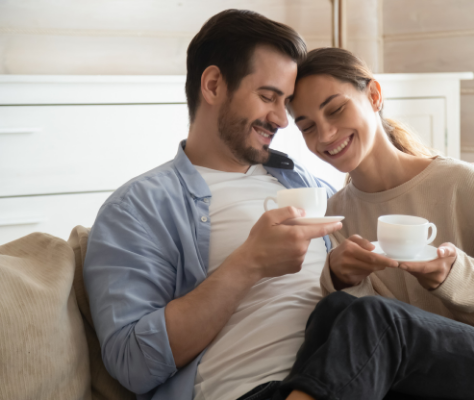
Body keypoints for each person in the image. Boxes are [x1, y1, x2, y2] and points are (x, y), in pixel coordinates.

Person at [270, 47, 474, 400]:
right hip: (436, 378)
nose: (325, 135)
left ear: (373, 95)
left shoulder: (460, 182)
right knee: (334, 310)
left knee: (376, 317)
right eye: (307, 127)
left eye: (336, 109)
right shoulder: (335, 215)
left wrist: (452, 276)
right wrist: (341, 280)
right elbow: (366, 349)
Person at [83, 10, 343, 400]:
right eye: (268, 96)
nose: (281, 119)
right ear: (213, 84)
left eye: (285, 103)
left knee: (389, 326)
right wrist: (248, 264)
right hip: (254, 390)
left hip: (354, 370)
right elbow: (131, 362)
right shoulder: (138, 208)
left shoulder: (307, 183)